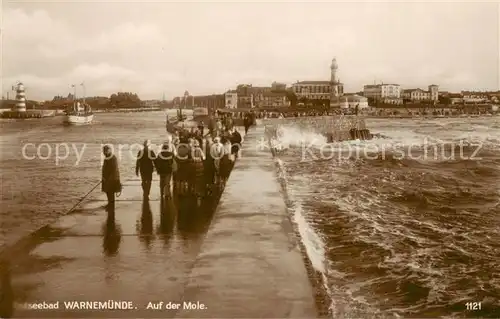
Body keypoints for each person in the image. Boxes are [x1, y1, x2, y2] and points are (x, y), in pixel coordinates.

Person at [101, 145, 121, 211]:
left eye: (106, 151)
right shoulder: (107, 158)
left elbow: (114, 169)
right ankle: (110, 204)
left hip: (112, 179)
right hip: (107, 178)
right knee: (108, 192)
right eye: (104, 151)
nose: (104, 152)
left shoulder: (113, 158)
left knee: (111, 192)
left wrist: (108, 178)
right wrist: (103, 177)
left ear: (109, 150)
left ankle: (111, 205)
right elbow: (105, 168)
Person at [191, 139, 206, 205]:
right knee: (199, 178)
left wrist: (195, 159)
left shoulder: (192, 150)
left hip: (194, 165)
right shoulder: (200, 149)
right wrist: (200, 158)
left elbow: (192, 158)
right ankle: (198, 191)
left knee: (194, 177)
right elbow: (204, 157)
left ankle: (194, 190)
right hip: (200, 164)